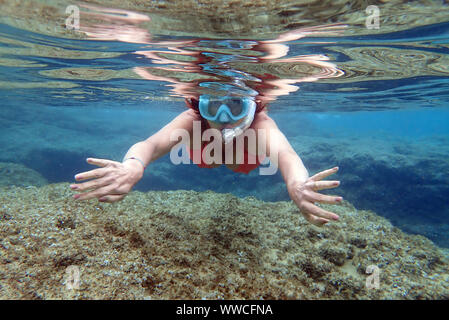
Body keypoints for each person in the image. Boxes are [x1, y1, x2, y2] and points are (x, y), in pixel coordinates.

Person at [71, 94, 343, 226]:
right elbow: (150, 145)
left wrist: (297, 183)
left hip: (243, 158)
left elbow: (286, 154)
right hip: (206, 155)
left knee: (236, 160)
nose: (223, 117)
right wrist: (133, 164)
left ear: (252, 105)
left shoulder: (261, 124)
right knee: (212, 158)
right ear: (198, 104)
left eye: (236, 104)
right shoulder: (192, 121)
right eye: (212, 105)